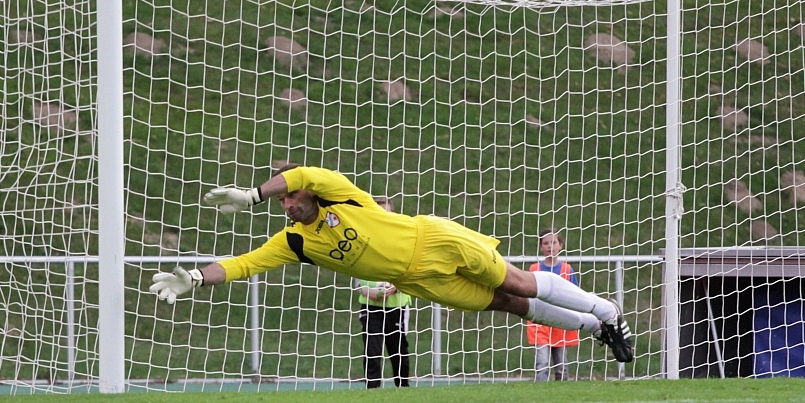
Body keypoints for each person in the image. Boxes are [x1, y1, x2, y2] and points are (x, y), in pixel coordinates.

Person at [150, 164, 635, 363]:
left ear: (307, 192)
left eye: (290, 196)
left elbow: (303, 171)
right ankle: (597, 329)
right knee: (507, 304)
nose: (288, 204)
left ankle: (608, 311)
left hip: (435, 240)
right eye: (282, 202)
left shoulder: (340, 194)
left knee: (520, 283)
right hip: (415, 279)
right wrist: (196, 277)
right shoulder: (295, 242)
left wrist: (252, 195)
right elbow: (243, 264)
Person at [355, 195, 411, 389]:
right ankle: (372, 390)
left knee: (398, 350)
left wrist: (396, 286)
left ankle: (402, 388)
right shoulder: (362, 241)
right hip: (370, 306)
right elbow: (356, 276)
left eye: (386, 213)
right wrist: (368, 291)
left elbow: (411, 270)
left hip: (397, 305)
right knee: (372, 350)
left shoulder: (403, 239)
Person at [527, 229, 579, 381]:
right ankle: (541, 391)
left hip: (560, 321)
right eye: (545, 243)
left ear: (560, 245)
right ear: (540, 247)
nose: (550, 246)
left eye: (553, 242)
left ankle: (561, 391)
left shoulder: (567, 270)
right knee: (542, 363)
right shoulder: (534, 269)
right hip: (540, 322)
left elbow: (576, 294)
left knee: (561, 365)